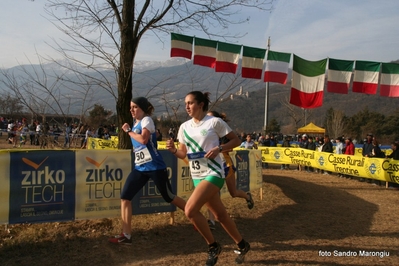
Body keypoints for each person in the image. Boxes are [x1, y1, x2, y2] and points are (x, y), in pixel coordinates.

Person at [166, 91, 250, 265]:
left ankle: (213, 246)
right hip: (197, 175)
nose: (187, 107)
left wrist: (220, 148)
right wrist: (174, 150)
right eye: (185, 103)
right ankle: (242, 244)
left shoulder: (214, 122)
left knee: (190, 210)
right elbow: (184, 152)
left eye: (190, 103)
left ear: (201, 104)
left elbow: (237, 141)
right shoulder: (184, 127)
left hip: (214, 173)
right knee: (220, 215)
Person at [109, 97, 185, 245]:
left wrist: (129, 132)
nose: (131, 110)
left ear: (143, 108)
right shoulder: (136, 122)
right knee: (125, 197)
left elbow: (143, 140)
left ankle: (194, 215)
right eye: (131, 107)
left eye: (135, 107)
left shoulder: (146, 120)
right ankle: (126, 235)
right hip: (141, 167)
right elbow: (143, 143)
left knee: (169, 197)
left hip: (155, 167)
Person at [206, 110, 255, 230]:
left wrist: (220, 149)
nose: (207, 120)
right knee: (211, 193)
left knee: (233, 193)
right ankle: (211, 221)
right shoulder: (205, 133)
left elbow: (234, 145)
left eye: (210, 117)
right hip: (213, 166)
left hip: (225, 164)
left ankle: (247, 197)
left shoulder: (224, 133)